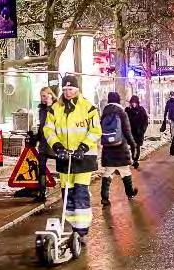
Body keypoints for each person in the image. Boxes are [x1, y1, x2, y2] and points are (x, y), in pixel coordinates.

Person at [43, 75, 101, 244]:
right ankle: (72, 226)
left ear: (77, 89)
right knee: (67, 192)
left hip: (84, 157)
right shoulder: (55, 108)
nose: (68, 92)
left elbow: (96, 130)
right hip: (64, 157)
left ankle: (81, 231)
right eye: (65, 89)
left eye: (71, 89)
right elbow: (48, 130)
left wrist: (83, 147)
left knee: (80, 192)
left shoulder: (88, 107)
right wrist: (57, 147)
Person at [100, 92, 139, 207]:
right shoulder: (122, 112)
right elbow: (127, 131)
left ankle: (104, 197)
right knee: (125, 171)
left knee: (108, 172)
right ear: (118, 100)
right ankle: (130, 193)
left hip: (107, 149)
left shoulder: (104, 113)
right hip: (120, 148)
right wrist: (133, 145)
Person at [30, 86, 57, 203]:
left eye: (45, 96)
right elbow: (42, 127)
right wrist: (35, 136)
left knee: (62, 167)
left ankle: (67, 190)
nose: (43, 99)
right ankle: (42, 192)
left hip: (55, 143)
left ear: (51, 95)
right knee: (41, 167)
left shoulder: (57, 108)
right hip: (43, 144)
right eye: (42, 96)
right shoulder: (41, 110)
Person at [125, 95, 149, 169]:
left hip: (139, 132)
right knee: (133, 146)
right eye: (132, 102)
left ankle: (135, 159)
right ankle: (134, 158)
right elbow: (125, 120)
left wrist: (143, 130)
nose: (133, 104)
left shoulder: (141, 110)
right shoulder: (128, 110)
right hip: (131, 132)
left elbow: (145, 121)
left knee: (137, 146)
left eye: (135, 102)